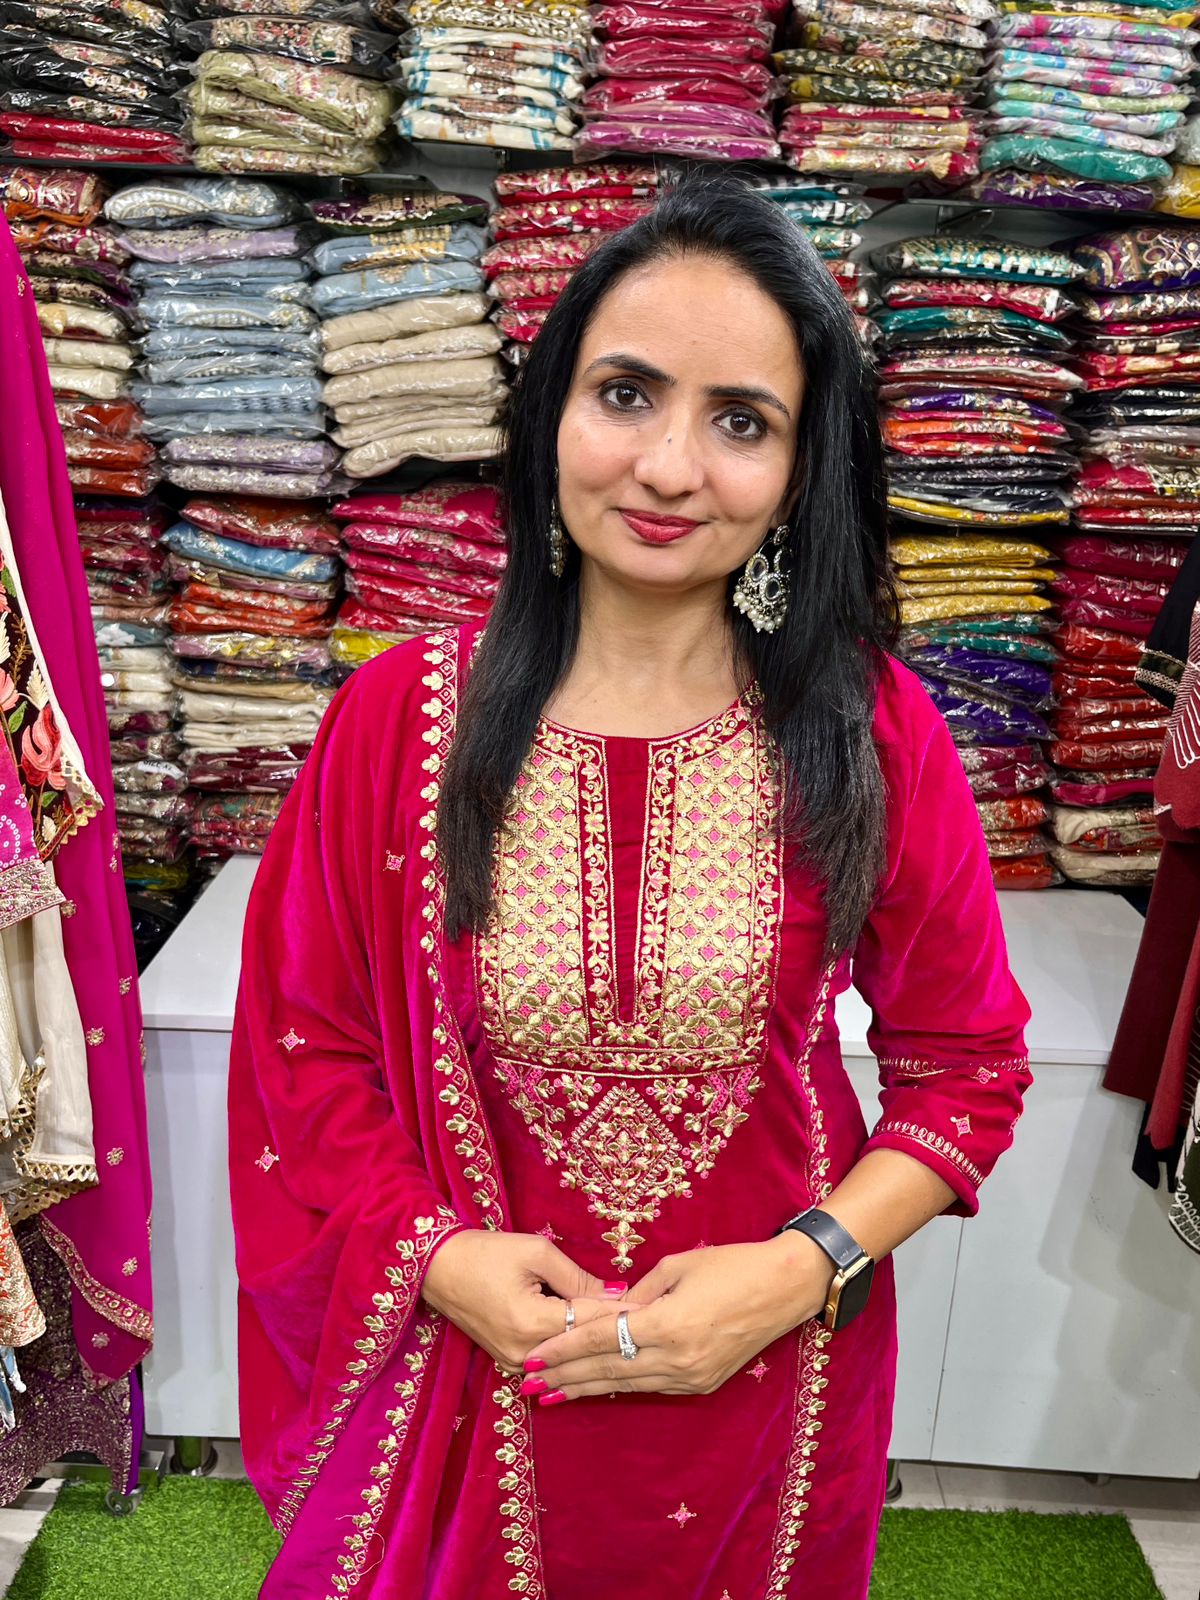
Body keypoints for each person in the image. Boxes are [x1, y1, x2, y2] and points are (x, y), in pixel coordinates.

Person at [229, 172, 1033, 1600]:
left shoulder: (868, 726)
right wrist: (439, 1258)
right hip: (472, 1373)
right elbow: (311, 1052)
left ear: (802, 471)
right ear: (553, 411)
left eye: (742, 422)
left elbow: (966, 1066)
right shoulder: (401, 719)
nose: (669, 468)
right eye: (626, 395)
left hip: (768, 1376)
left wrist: (799, 1271)